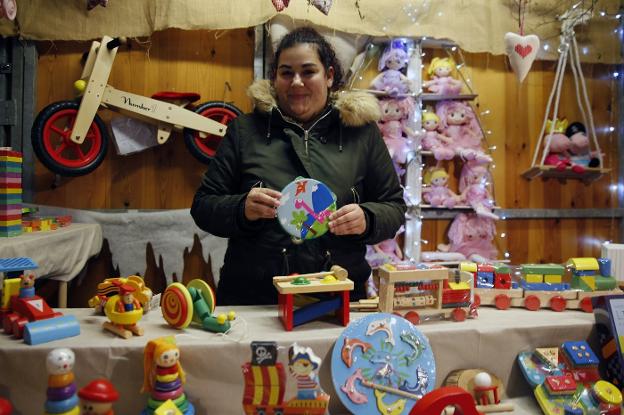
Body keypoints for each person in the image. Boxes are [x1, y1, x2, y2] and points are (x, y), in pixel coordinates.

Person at [191, 26, 406, 305]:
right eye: (286, 73)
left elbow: (394, 207)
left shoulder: (360, 133)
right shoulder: (245, 131)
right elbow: (203, 206)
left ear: (329, 76)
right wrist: (242, 208)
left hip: (337, 298)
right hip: (256, 299)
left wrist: (369, 218)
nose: (296, 82)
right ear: (275, 78)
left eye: (308, 72)